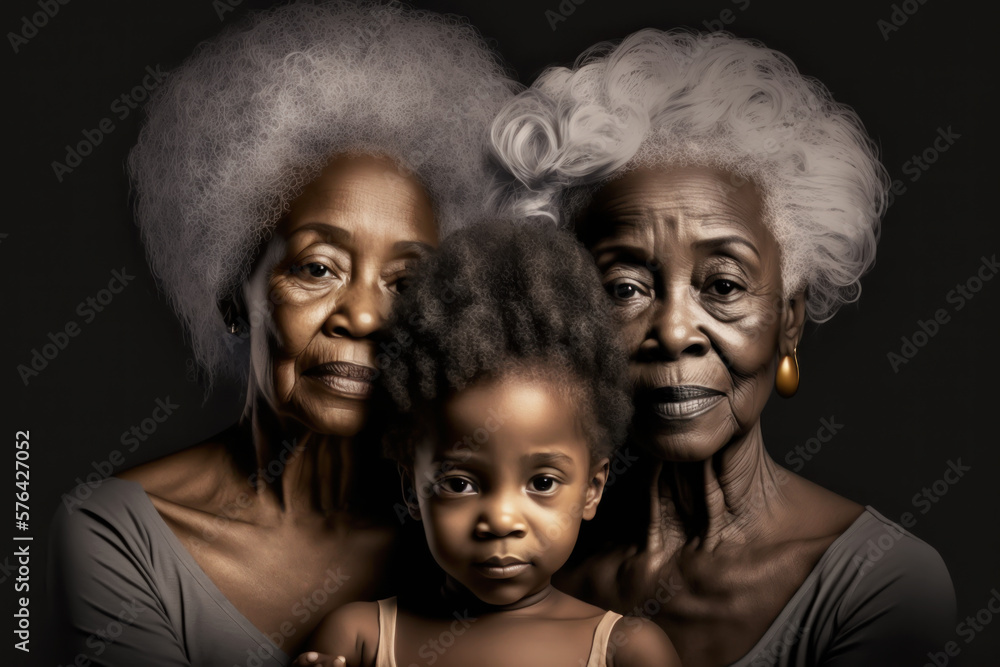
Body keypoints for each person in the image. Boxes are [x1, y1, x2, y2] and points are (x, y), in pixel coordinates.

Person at [47, 3, 517, 665]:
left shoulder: (489, 529)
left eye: (406, 283)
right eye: (318, 268)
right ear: (234, 295)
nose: (363, 316)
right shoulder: (118, 535)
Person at [489, 29, 956, 666]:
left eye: (724, 285)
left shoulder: (885, 584)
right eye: (624, 287)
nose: (676, 332)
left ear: (789, 320)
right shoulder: (508, 559)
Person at [293, 222, 680, 667]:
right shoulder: (357, 639)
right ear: (411, 488)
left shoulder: (629, 651)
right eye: (459, 484)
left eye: (542, 482)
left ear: (592, 489)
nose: (501, 520)